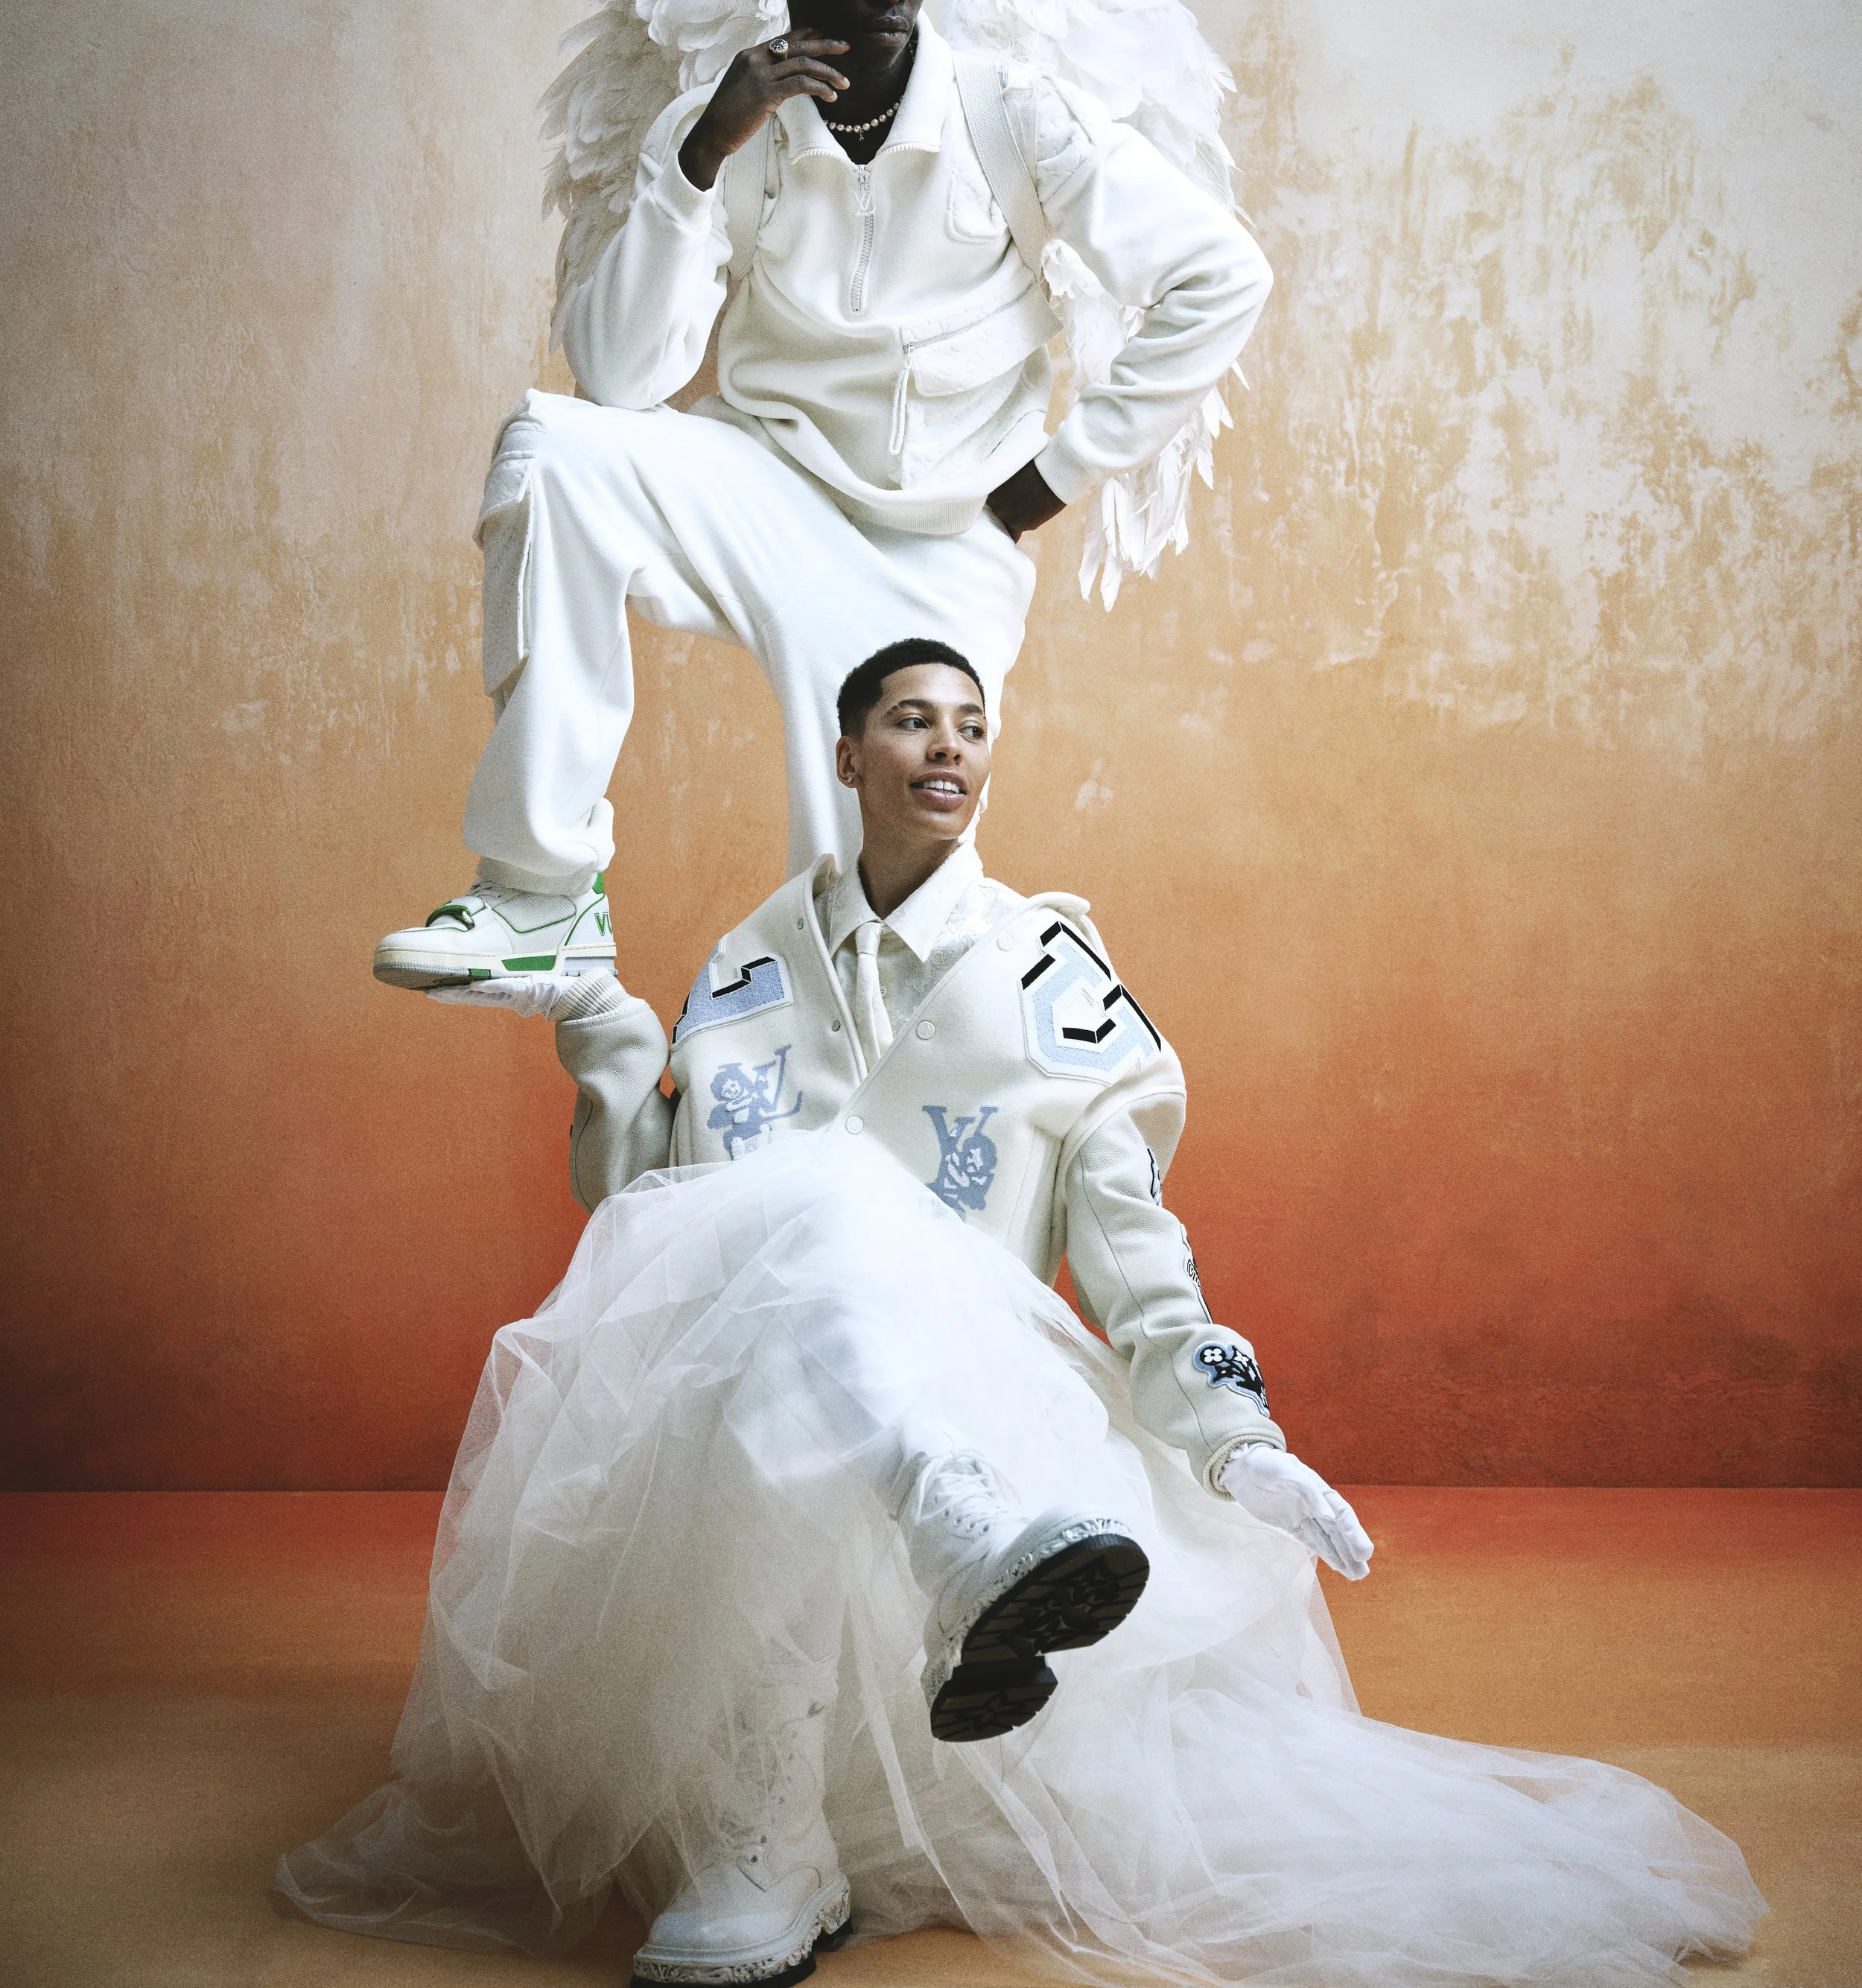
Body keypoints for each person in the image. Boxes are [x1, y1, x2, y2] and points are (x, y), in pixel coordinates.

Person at [283, 644, 1762, 1988]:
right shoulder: (745, 964)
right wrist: (605, 1034)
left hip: (998, 1412)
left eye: (972, 725)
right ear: (847, 751)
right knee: (807, 1214)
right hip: (745, 1456)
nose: (948, 746)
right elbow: (656, 1231)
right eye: (912, 719)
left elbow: (1130, 1245)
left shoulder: (1053, 977)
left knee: (827, 1215)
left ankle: (831, 1755)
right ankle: (819, 1755)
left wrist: (1230, 1431)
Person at [370, 0, 1273, 990]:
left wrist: (1056, 475)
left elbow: (1222, 276)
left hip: (943, 544)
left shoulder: (1016, 115)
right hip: (764, 489)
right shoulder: (725, 125)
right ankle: (541, 898)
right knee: (556, 448)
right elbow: (621, 376)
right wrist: (698, 156)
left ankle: (862, 1136)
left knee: (865, 911)